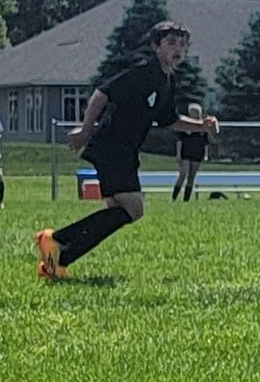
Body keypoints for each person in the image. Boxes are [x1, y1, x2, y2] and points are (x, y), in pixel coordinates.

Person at [34, 21, 219, 280]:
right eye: (171, 43)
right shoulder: (143, 73)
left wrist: (202, 126)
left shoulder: (167, 80)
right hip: (112, 146)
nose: (178, 48)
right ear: (156, 47)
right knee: (134, 208)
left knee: (120, 211)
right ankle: (56, 240)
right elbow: (102, 94)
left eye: (182, 44)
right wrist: (85, 130)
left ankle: (57, 259)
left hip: (125, 150)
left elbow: (169, 119)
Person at [173, 104, 210, 201]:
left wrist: (206, 155)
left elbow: (206, 143)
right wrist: (178, 154)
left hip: (197, 152)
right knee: (183, 174)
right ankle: (174, 198)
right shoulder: (186, 125)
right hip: (186, 152)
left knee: (191, 176)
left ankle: (186, 199)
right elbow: (179, 141)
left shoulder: (203, 127)